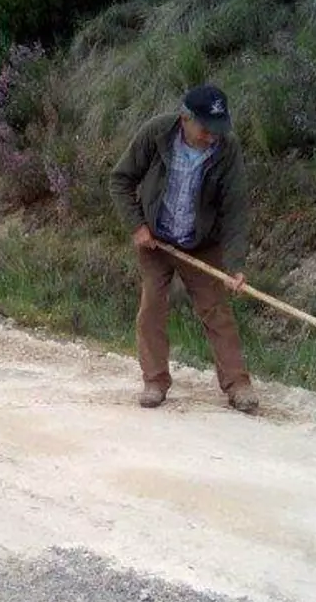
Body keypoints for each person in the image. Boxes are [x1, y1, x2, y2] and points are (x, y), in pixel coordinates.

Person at [107, 84, 259, 413]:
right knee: (152, 306)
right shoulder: (156, 133)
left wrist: (235, 265)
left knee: (216, 310)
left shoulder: (227, 148)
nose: (212, 136)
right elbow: (120, 180)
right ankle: (155, 381)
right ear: (185, 118)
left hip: (201, 243)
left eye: (218, 129)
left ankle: (237, 384)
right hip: (156, 240)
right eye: (206, 129)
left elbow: (235, 209)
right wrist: (137, 226)